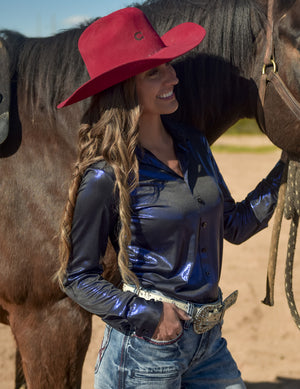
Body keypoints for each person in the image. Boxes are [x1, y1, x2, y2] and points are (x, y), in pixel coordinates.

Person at [57, 7, 286, 389]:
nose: (173, 76)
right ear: (124, 88)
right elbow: (77, 277)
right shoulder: (106, 175)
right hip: (146, 349)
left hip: (210, 344)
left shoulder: (194, 144)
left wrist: (287, 170)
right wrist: (147, 315)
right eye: (155, 72)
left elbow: (233, 225)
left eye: (169, 65)